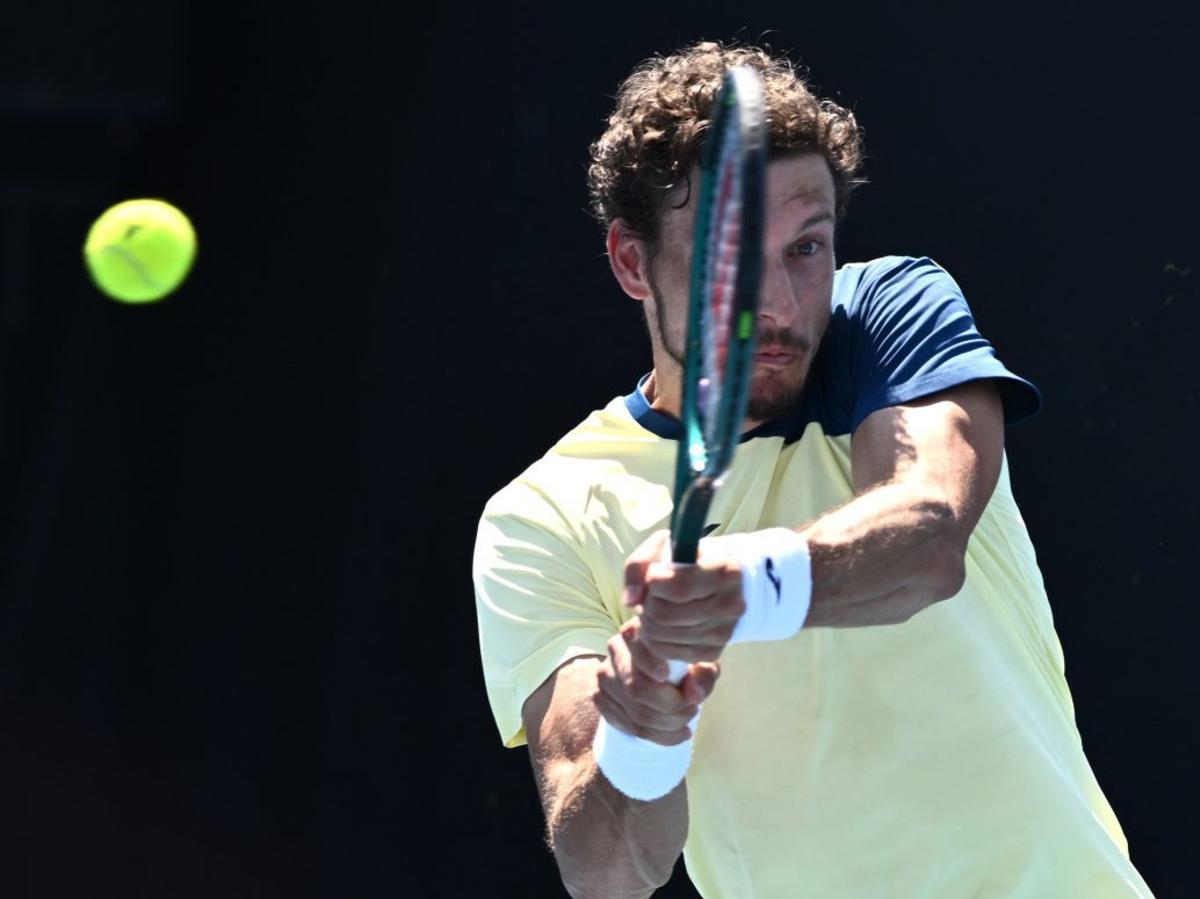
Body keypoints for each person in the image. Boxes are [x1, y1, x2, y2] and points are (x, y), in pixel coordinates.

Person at [472, 41, 1153, 898]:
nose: (784, 308)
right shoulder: (542, 516)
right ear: (632, 262)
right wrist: (643, 737)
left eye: (806, 248)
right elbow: (606, 873)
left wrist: (740, 586)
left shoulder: (887, 315)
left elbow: (927, 534)